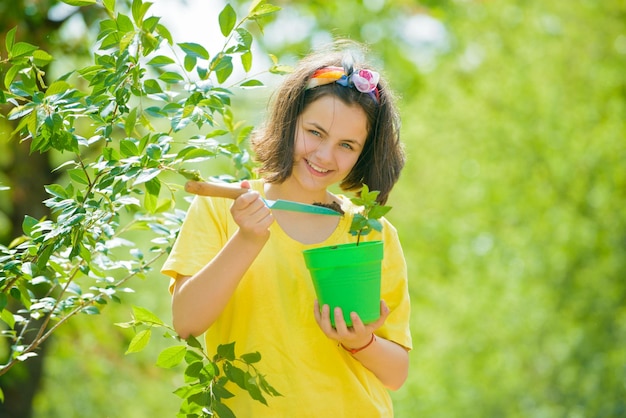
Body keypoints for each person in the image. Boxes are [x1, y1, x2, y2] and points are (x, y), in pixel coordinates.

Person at [161, 42, 412, 417]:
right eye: (314, 132)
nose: (325, 155)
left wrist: (361, 342)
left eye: (347, 145)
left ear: (364, 153)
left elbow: (396, 373)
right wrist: (247, 238)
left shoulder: (370, 230)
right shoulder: (223, 207)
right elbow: (186, 322)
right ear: (288, 120)